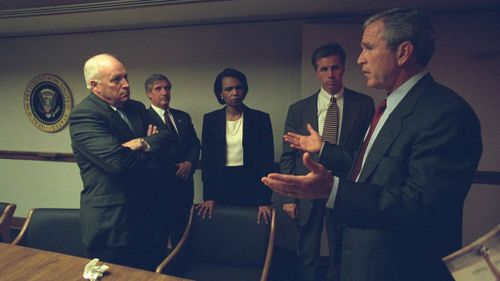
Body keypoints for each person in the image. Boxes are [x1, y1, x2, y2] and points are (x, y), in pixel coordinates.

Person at [262, 8, 482, 281]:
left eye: (368, 48)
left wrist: (333, 190)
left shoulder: (446, 113)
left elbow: (423, 206)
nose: (360, 59)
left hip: (395, 268)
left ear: (403, 53)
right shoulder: (390, 106)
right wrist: (325, 150)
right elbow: (370, 164)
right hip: (363, 260)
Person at [279, 43, 374, 281]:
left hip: (342, 188)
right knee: (307, 252)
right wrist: (290, 198)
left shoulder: (363, 105)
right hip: (307, 190)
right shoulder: (298, 109)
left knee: (341, 252)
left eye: (335, 67)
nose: (330, 75)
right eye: (323, 69)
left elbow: (364, 153)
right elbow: (288, 155)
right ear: (316, 72)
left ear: (343, 68)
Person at [69, 53, 173, 270]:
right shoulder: (84, 115)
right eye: (116, 79)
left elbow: (166, 136)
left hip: (148, 219)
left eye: (125, 77)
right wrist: (149, 146)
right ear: (95, 86)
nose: (126, 84)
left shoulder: (135, 108)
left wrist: (140, 143)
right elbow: (117, 162)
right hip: (112, 227)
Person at [197, 68, 274, 223]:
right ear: (220, 94)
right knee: (223, 230)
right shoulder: (211, 120)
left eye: (238, 87)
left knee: (249, 229)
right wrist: (209, 196)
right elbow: (208, 160)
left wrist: (264, 200)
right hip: (221, 183)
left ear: (244, 90)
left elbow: (266, 160)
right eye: (229, 89)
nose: (235, 92)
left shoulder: (260, 119)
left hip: (250, 183)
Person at [144, 74, 200, 266]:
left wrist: (189, 164)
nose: (165, 92)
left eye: (167, 88)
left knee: (183, 236)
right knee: (157, 239)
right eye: (158, 88)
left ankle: (181, 272)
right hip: (158, 190)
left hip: (184, 187)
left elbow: (195, 144)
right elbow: (143, 153)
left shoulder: (182, 117)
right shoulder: (143, 119)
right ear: (149, 94)